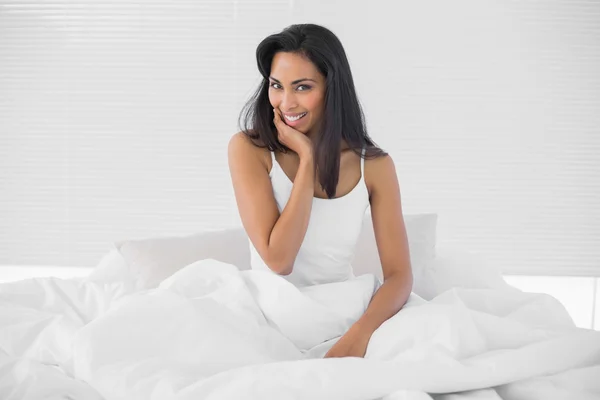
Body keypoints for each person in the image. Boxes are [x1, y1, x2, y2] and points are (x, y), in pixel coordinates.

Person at [228, 24, 413, 359]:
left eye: (302, 87)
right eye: (276, 86)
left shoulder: (374, 166)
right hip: (270, 314)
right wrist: (308, 158)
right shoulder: (248, 149)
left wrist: (360, 336)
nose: (286, 102)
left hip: (345, 314)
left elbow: (399, 276)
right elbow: (279, 260)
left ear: (332, 88)